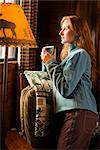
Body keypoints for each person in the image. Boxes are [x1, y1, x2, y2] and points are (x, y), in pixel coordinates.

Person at [41, 15, 98, 149]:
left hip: (79, 112)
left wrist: (51, 63)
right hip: (75, 113)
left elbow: (65, 88)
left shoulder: (80, 54)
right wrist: (47, 63)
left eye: (66, 28)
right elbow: (54, 82)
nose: (60, 32)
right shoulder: (70, 57)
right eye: (61, 29)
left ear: (78, 32)